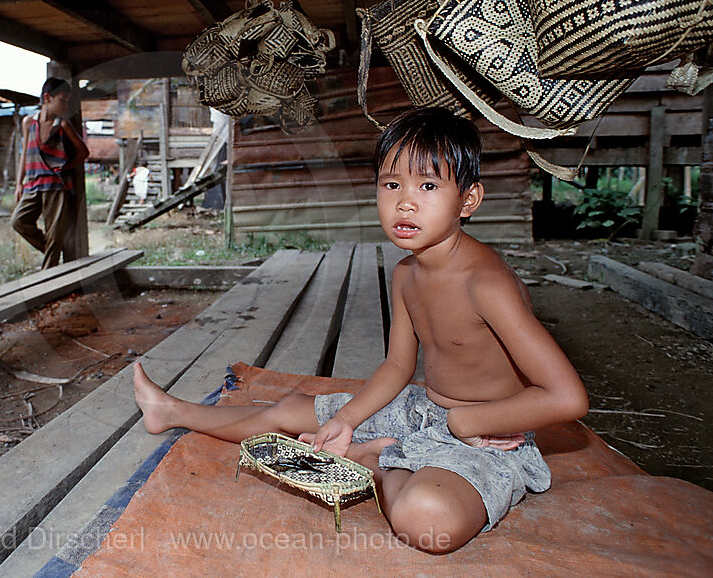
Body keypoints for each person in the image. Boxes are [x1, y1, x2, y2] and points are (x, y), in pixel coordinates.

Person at [133, 108, 588, 553]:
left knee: (427, 521)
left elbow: (568, 397)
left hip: (488, 435)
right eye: (392, 184)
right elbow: (397, 365)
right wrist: (344, 421)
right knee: (292, 409)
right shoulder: (407, 273)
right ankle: (173, 411)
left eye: (428, 185)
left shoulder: (486, 283)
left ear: (468, 200)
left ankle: (375, 463)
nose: (405, 202)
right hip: (425, 410)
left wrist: (466, 421)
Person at [11, 77, 89, 269]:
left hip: (56, 186)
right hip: (33, 184)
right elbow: (24, 154)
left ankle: (47, 281)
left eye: (67, 101)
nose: (65, 105)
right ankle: (54, 251)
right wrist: (19, 183)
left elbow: (84, 152)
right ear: (47, 98)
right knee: (18, 222)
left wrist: (66, 167)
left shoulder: (62, 125)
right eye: (62, 100)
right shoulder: (28, 123)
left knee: (54, 234)